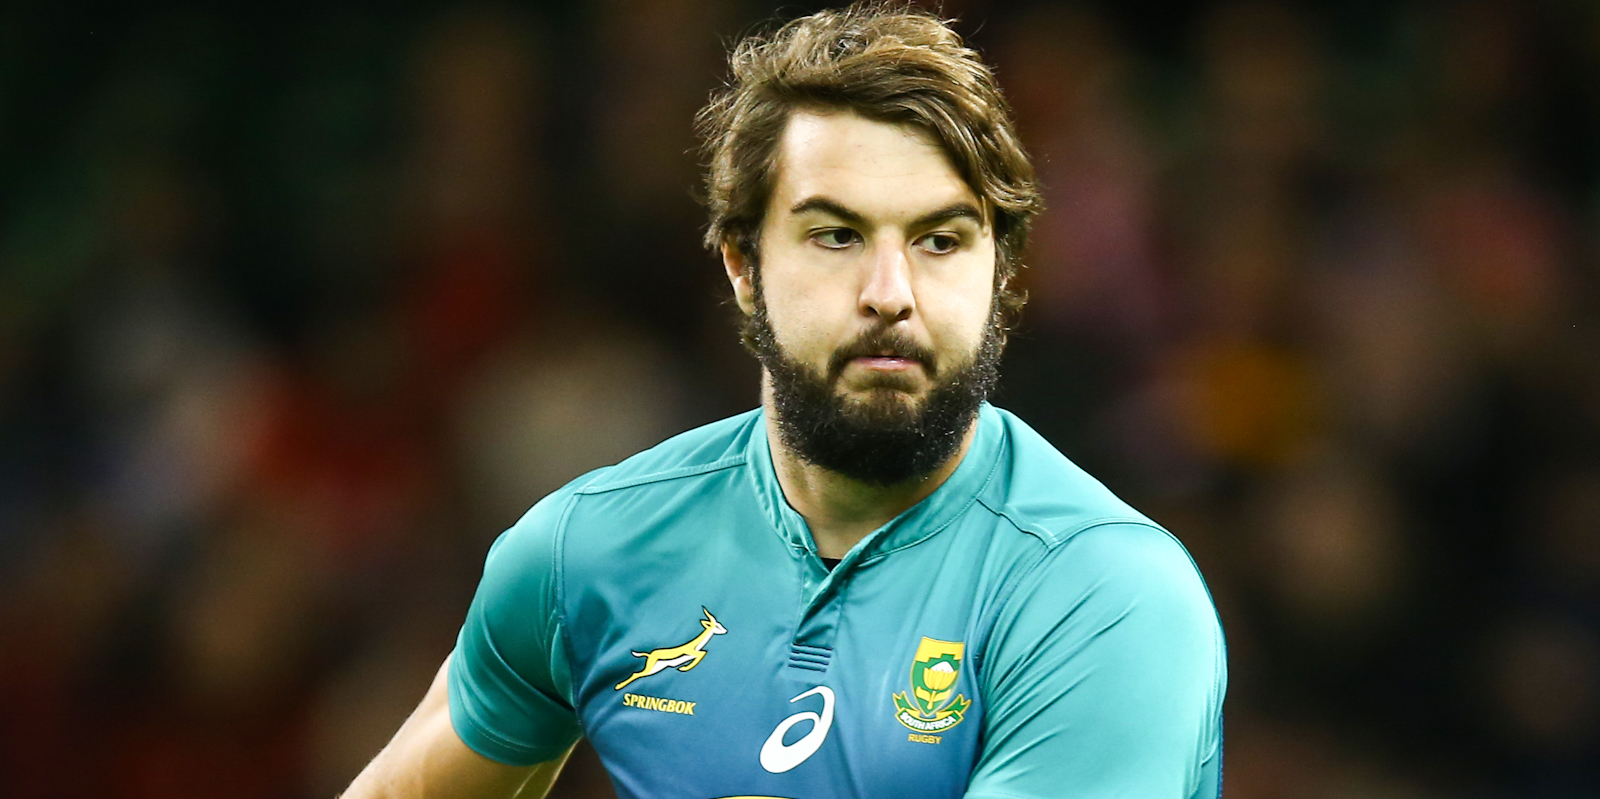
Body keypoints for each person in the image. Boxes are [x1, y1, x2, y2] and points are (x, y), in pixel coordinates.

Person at [343, 3, 1225, 798]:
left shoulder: (1105, 596)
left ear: (1001, 272)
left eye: (940, 240)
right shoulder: (586, 552)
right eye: (836, 235)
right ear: (743, 263)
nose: (890, 292)